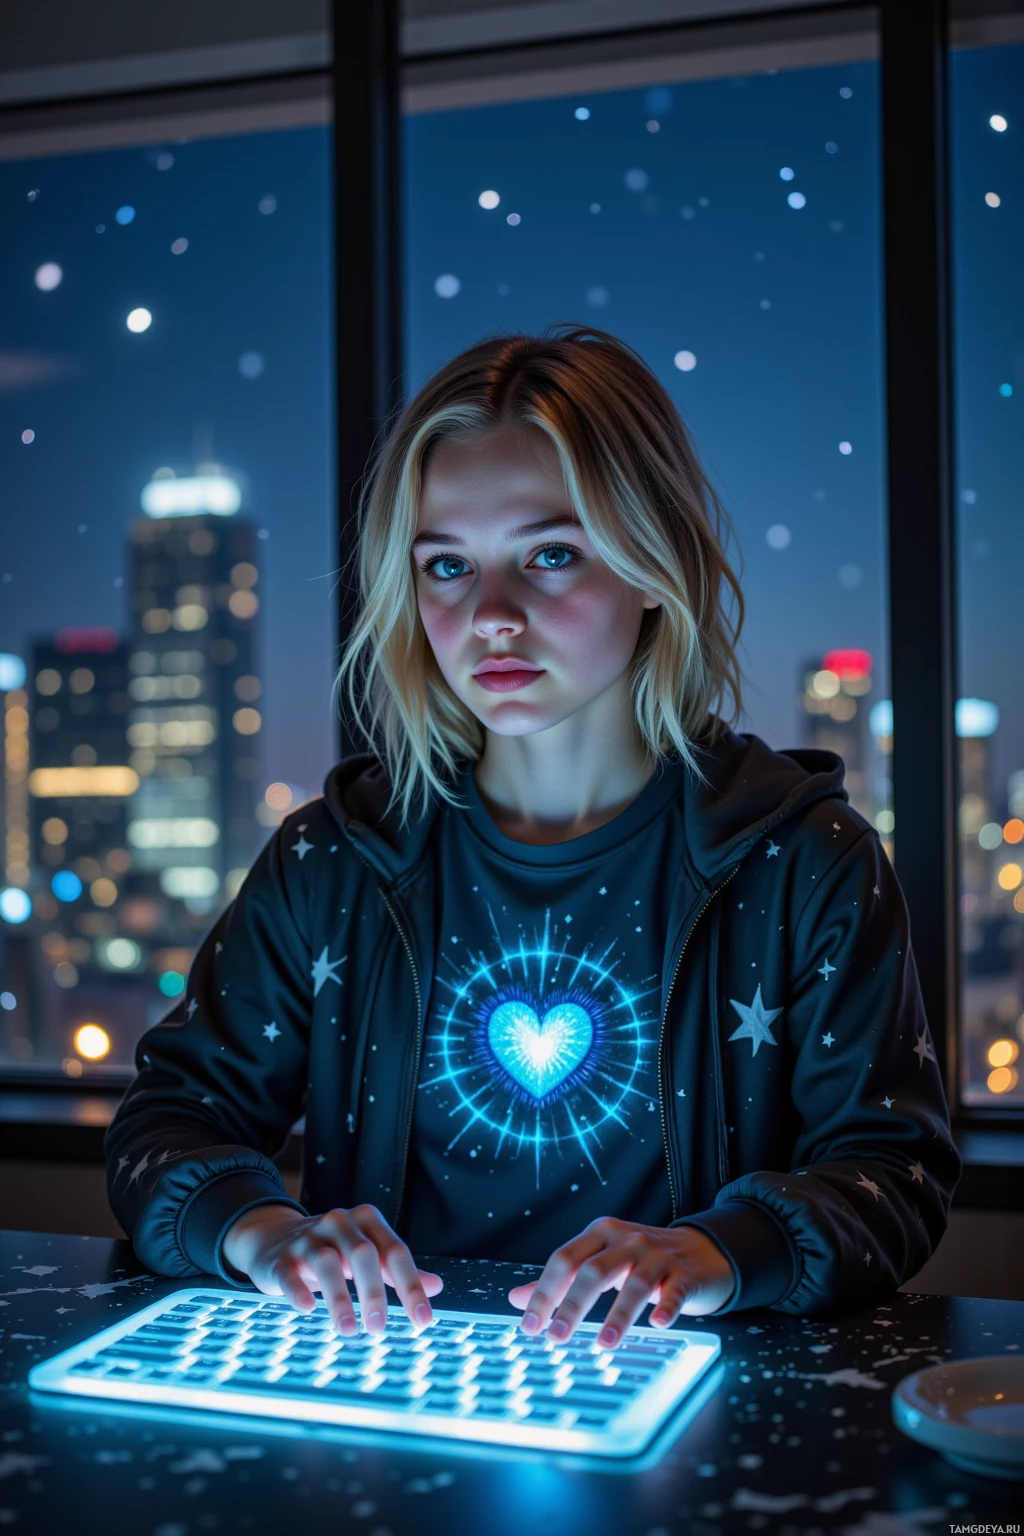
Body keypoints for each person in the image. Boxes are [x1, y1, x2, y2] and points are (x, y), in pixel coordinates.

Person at [106, 326, 961, 1351]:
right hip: (384, 1389)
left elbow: (892, 1169)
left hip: (682, 1396)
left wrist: (724, 1252)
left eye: (551, 555)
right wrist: (265, 1236)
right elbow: (167, 1121)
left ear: (655, 565)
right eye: (447, 566)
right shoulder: (329, 861)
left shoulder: (805, 861)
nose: (492, 617)